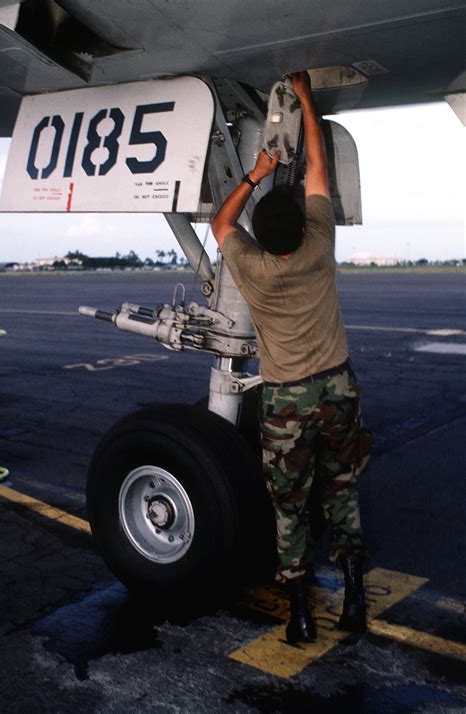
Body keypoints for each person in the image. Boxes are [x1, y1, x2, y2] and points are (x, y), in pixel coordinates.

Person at [211, 71, 371, 645]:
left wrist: (253, 174)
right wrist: (306, 100)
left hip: (286, 399)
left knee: (291, 505)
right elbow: (320, 173)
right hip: (336, 387)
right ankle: (354, 598)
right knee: (343, 488)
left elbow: (221, 223)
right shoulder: (320, 241)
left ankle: (300, 611)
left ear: (261, 236)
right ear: (303, 225)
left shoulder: (251, 266)